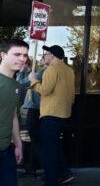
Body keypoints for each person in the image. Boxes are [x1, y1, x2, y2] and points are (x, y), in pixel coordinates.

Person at [29, 44, 75, 186]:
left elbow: (45, 90)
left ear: (52, 56)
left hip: (50, 114)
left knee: (49, 151)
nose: (44, 57)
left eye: (45, 54)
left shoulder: (51, 69)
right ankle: (64, 173)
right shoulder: (69, 70)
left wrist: (33, 81)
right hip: (64, 114)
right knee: (54, 146)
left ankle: (50, 181)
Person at [0, 39, 28, 186]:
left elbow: (13, 116)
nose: (22, 59)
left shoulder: (16, 85)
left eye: (25, 55)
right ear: (3, 55)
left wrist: (18, 145)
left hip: (6, 150)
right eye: (17, 54)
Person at [16, 56, 46, 178]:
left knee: (36, 139)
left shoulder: (42, 73)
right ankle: (32, 166)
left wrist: (23, 70)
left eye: (43, 58)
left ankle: (44, 167)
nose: (41, 60)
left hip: (36, 108)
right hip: (35, 108)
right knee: (34, 139)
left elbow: (20, 83)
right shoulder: (35, 73)